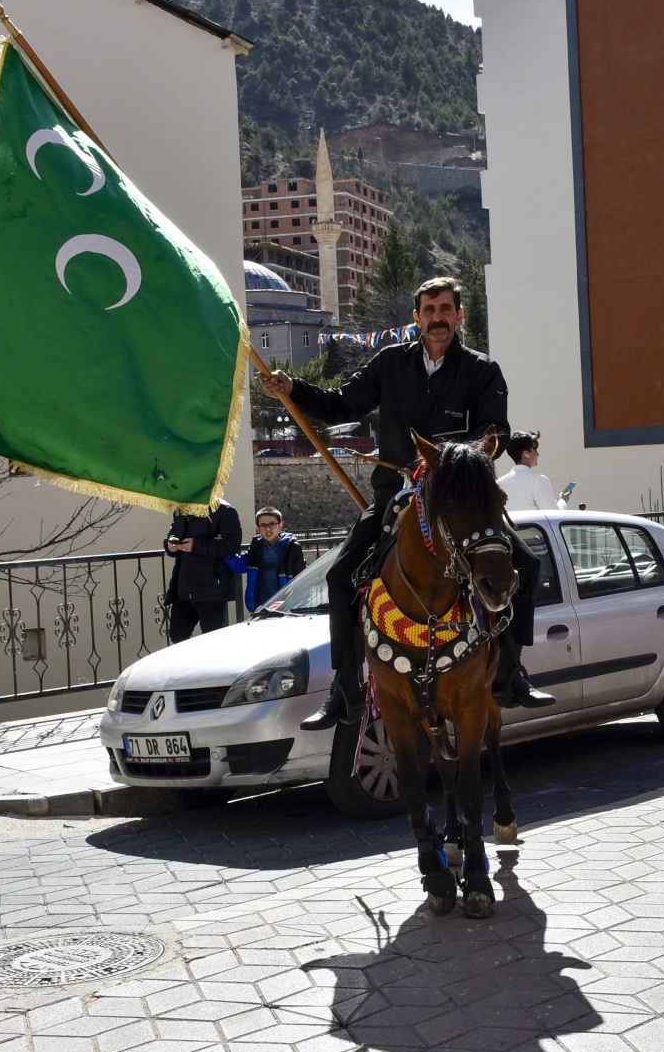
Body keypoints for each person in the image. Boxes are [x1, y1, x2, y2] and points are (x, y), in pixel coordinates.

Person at [266, 276, 551, 730]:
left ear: (459, 315)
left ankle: (512, 672)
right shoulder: (390, 363)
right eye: (429, 310)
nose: (437, 318)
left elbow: (492, 432)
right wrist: (293, 388)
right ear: (416, 317)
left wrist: (443, 463)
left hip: (460, 500)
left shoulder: (483, 370)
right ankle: (345, 688)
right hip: (394, 496)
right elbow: (342, 404)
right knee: (340, 574)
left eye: (445, 309)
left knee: (527, 564)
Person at [164, 499, 243, 643]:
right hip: (183, 589)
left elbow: (231, 545)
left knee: (212, 641)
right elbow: (173, 533)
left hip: (211, 590)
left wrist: (196, 545)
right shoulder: (182, 508)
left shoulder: (225, 510)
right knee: (177, 637)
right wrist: (170, 544)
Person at [227, 507, 307, 612]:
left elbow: (302, 578)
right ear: (257, 528)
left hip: (286, 606)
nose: (268, 529)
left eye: (272, 524)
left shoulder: (292, 547)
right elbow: (239, 566)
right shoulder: (256, 546)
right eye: (263, 525)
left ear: (280, 526)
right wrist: (225, 546)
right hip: (261, 606)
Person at [496, 431, 571, 513]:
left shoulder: (499, 483)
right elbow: (553, 514)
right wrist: (562, 501)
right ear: (525, 455)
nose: (538, 454)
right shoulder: (539, 480)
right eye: (535, 449)